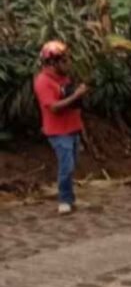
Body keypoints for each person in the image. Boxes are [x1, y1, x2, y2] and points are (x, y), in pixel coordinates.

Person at [33, 40, 89, 215]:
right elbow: (54, 107)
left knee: (71, 165)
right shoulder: (43, 82)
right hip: (58, 132)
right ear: (53, 63)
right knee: (67, 166)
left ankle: (69, 198)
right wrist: (77, 95)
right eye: (64, 61)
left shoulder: (63, 78)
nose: (68, 64)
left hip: (72, 128)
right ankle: (64, 200)